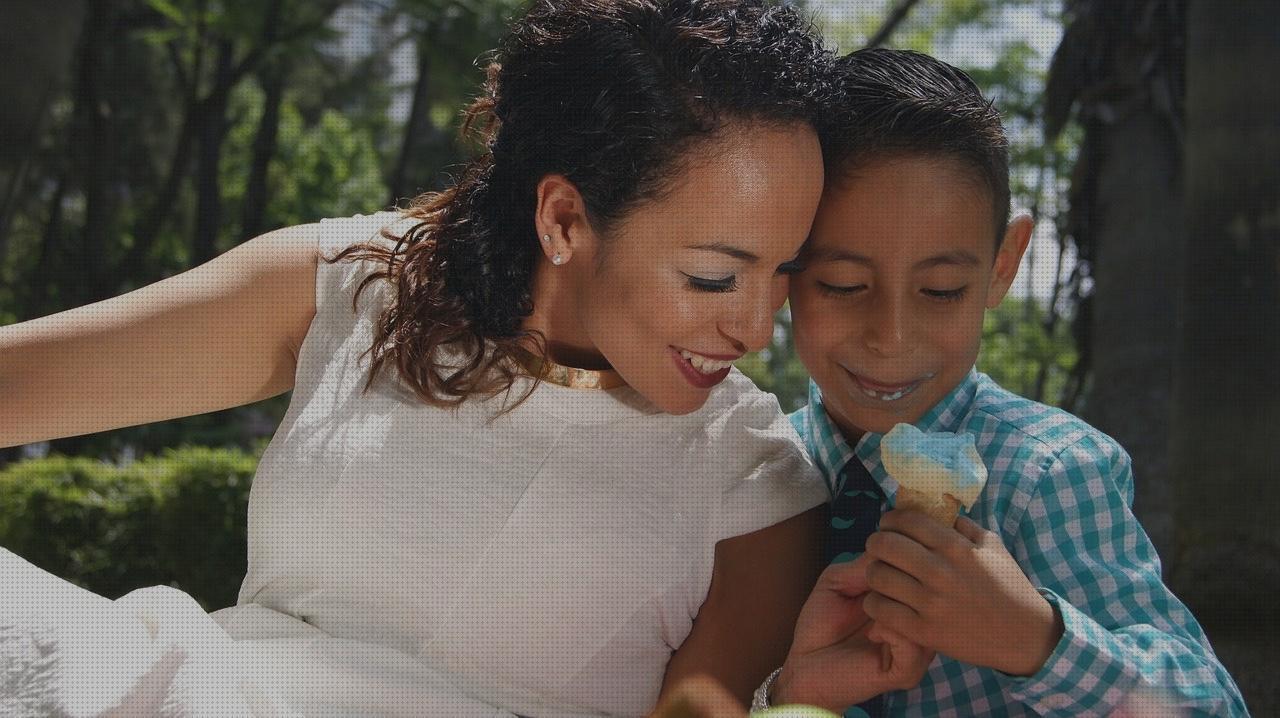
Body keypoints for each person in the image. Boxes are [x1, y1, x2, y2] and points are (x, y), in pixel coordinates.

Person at [0, 2, 854, 716]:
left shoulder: (760, 486)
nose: (755, 327)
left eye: (786, 270)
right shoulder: (354, 287)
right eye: (713, 277)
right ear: (562, 220)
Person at [756, 48, 1250, 717]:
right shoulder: (755, 471)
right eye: (843, 285)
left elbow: (1213, 705)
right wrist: (788, 696)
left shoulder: (1045, 475)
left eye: (940, 290)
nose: (892, 337)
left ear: (1002, 265)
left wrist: (1037, 642)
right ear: (780, 264)